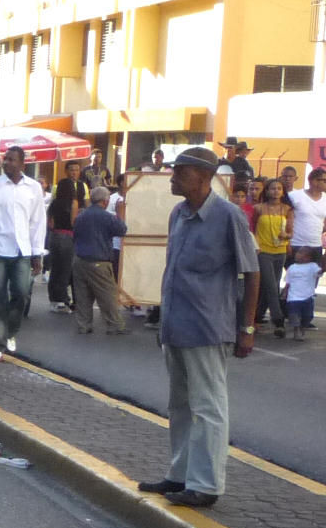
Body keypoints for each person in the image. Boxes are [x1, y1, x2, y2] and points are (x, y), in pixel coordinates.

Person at [135, 147, 258, 509]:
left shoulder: (228, 216)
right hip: (176, 323)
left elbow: (251, 273)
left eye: (180, 172)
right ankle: (180, 475)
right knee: (180, 406)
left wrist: (247, 327)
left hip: (208, 326)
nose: (172, 178)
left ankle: (205, 485)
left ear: (203, 178)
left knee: (208, 408)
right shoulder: (178, 214)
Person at [0, 145, 49, 361]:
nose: (6, 163)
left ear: (22, 164)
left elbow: (38, 222)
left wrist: (38, 253)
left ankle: (11, 332)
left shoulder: (33, 188)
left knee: (21, 293)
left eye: (11, 159)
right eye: (5, 159)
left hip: (23, 250)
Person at [70, 186, 129, 334]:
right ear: (105, 201)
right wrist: (120, 213)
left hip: (79, 259)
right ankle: (115, 325)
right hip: (99, 260)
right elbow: (121, 230)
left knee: (83, 296)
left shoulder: (81, 216)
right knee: (107, 294)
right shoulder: (106, 216)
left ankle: (84, 325)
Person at [44, 159, 87, 313]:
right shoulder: (74, 203)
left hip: (54, 237)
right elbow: (73, 221)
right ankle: (62, 299)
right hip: (68, 237)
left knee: (55, 269)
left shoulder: (54, 203)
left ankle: (54, 300)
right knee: (65, 270)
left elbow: (50, 223)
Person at [252, 178, 291, 337]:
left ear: (283, 192)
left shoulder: (287, 209)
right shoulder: (259, 208)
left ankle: (257, 315)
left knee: (271, 285)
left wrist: (286, 236)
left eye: (279, 189)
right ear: (266, 191)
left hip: (280, 250)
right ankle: (278, 320)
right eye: (272, 188)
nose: (276, 191)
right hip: (263, 251)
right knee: (271, 286)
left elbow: (291, 231)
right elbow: (252, 228)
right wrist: (255, 247)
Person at [288, 167, 326, 265]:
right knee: (295, 277)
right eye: (324, 180)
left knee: (313, 278)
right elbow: (285, 219)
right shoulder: (294, 196)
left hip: (316, 246)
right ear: (314, 181)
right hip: (296, 244)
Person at [284, 254, 318, 341]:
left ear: (309, 257)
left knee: (308, 316)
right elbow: (288, 282)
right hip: (293, 297)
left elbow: (319, 272)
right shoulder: (292, 267)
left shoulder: (313, 266)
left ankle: (303, 328)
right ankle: (296, 332)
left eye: (304, 253)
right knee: (294, 316)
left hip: (308, 297)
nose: (299, 255)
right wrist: (285, 292)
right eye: (299, 253)